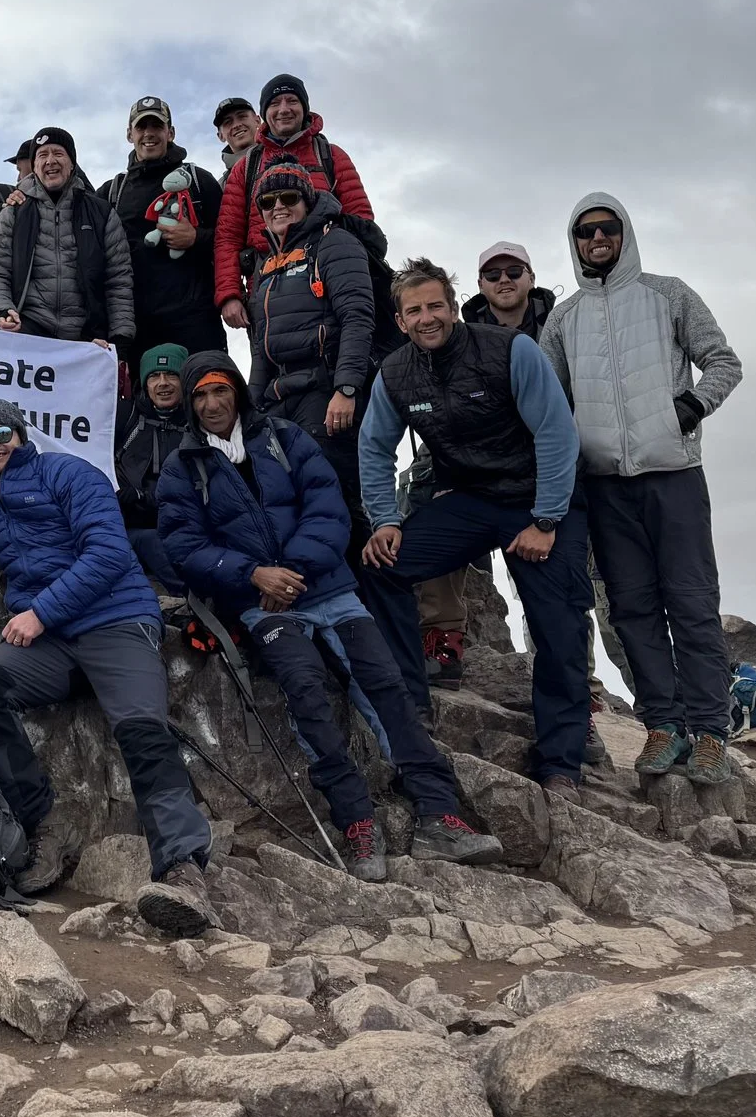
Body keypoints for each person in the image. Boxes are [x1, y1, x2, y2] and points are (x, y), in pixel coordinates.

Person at [156, 354, 501, 880]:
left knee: (384, 681)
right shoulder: (182, 468)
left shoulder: (285, 437)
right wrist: (254, 576)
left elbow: (329, 508)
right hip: (259, 603)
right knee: (305, 687)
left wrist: (288, 571)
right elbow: (184, 546)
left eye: (219, 390)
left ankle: (439, 812)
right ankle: (357, 821)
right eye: (199, 396)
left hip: (326, 588)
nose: (210, 404)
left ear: (237, 393)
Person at [0, 399, 216, 937]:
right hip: (52, 646)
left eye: (2, 431)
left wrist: (41, 612)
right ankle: (41, 826)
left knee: (143, 729)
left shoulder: (70, 474)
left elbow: (106, 554)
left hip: (116, 621)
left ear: (21, 432)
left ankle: (181, 869)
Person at [357, 260, 595, 792]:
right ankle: (411, 704)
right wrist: (385, 520)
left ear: (452, 306)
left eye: (435, 306)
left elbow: (557, 434)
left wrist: (547, 520)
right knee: (382, 566)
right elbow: (374, 447)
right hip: (469, 498)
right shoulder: (395, 372)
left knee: (558, 625)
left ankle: (561, 761)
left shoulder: (510, 350)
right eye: (414, 310)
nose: (427, 318)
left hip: (540, 499)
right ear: (400, 320)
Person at [536, 195, 744, 785]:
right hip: (604, 484)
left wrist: (690, 406)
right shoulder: (564, 319)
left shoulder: (668, 294)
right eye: (584, 232)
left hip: (673, 472)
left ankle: (709, 731)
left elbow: (724, 361)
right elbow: (551, 403)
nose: (596, 239)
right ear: (573, 241)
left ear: (624, 233)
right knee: (632, 609)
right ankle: (663, 726)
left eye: (606, 229)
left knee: (693, 603)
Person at [415, 241, 559, 682]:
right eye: (493, 274)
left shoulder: (559, 325)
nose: (504, 280)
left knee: (558, 581)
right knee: (432, 518)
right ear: (479, 285)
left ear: (531, 277)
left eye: (514, 271)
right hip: (472, 466)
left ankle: (575, 679)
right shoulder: (456, 331)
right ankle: (444, 646)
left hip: (542, 467)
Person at [241, 165, 376, 491]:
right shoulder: (267, 264)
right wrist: (250, 407)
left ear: (308, 201)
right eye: (268, 202)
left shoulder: (335, 243)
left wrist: (346, 389)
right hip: (280, 396)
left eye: (289, 197)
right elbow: (261, 345)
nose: (278, 207)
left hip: (325, 391)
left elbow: (357, 318)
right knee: (286, 497)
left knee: (333, 495)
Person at [215, 73, 376, 330]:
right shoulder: (245, 169)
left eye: (292, 101)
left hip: (329, 285)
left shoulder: (331, 156)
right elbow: (227, 237)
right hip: (266, 289)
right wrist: (230, 295)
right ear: (265, 113)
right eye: (275, 103)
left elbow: (362, 221)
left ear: (304, 107)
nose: (284, 110)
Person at [103, 97, 225, 375]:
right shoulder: (112, 192)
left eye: (157, 126)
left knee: (208, 403)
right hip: (135, 326)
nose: (149, 134)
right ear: (129, 134)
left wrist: (196, 238)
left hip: (196, 323)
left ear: (170, 133)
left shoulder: (198, 181)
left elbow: (231, 241)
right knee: (140, 411)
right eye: (141, 126)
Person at [0, 127, 134, 350]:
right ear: (34, 166)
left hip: (88, 337)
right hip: (29, 332)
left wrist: (120, 338)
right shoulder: (13, 213)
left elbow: (118, 278)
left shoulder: (101, 213)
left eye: (58, 153)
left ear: (72, 163)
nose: (50, 161)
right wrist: (2, 310)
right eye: (42, 155)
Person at [115, 344, 189, 589]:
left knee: (153, 542)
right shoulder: (125, 416)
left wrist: (143, 498)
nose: (163, 383)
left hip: (179, 527)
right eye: (154, 376)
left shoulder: (198, 423)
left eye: (171, 375)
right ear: (145, 383)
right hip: (127, 525)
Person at [212, 97, 258, 173]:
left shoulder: (283, 158)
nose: (236, 125)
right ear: (220, 136)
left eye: (242, 117)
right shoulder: (221, 184)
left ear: (257, 121)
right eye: (228, 122)